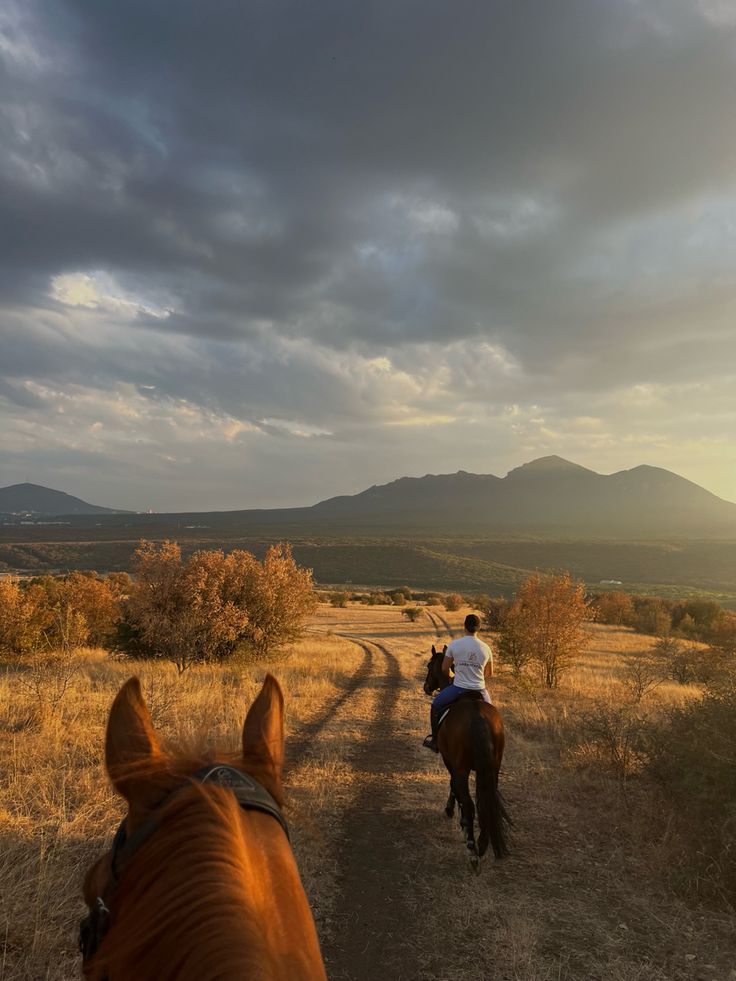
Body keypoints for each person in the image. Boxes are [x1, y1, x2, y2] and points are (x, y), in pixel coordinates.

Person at [423, 613, 493, 752]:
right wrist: (476, 678)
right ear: (479, 628)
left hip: (458, 688)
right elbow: (489, 673)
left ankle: (435, 741)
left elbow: (444, 669)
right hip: (480, 690)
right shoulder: (486, 648)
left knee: (435, 705)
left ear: (464, 627)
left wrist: (454, 676)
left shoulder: (455, 645)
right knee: (491, 715)